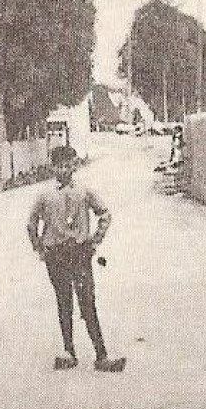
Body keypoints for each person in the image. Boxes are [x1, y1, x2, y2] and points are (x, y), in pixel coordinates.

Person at [27, 145, 126, 372]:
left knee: (87, 302)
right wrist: (40, 249)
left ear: (75, 166)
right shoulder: (44, 196)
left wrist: (94, 240)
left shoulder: (84, 192)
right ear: (52, 167)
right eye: (59, 165)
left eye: (69, 164)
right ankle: (68, 352)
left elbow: (105, 214)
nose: (64, 169)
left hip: (80, 253)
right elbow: (32, 224)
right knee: (64, 302)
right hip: (56, 255)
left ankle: (101, 355)